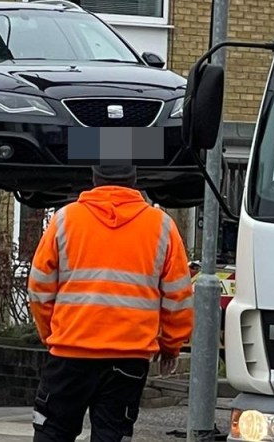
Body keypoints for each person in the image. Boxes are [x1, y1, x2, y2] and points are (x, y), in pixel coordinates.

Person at [28, 164, 194, 442]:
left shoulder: (65, 220)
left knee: (53, 432)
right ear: (134, 181)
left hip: (71, 353)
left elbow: (39, 289)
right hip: (128, 359)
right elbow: (178, 296)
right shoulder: (162, 226)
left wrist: (51, 336)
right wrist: (170, 345)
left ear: (94, 179)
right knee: (112, 435)